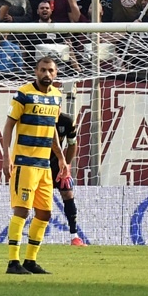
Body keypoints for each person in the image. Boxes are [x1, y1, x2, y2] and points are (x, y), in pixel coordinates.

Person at [2, 54, 67, 275]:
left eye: (50, 70)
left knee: (45, 213)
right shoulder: (23, 94)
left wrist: (61, 158)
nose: (46, 74)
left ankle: (30, 260)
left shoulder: (58, 96)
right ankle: (13, 262)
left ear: (56, 73)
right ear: (35, 71)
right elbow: (9, 126)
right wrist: (5, 156)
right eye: (42, 70)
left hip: (44, 166)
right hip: (24, 164)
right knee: (22, 210)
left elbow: (53, 131)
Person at [53, 93, 87, 246]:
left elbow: (72, 144)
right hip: (39, 164)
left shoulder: (66, 121)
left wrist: (66, 165)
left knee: (67, 193)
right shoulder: (40, 120)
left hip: (57, 165)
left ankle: (74, 236)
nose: (56, 109)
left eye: (58, 106)